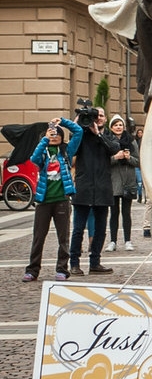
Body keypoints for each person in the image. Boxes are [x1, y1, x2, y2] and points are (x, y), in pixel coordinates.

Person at [22, 117, 83, 282]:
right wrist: (45, 138)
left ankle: (62, 269)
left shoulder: (66, 151)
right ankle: (32, 270)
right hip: (43, 200)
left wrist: (62, 122)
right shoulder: (44, 152)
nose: (55, 136)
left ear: (62, 136)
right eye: (52, 134)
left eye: (57, 134)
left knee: (63, 238)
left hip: (61, 200)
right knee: (38, 237)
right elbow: (33, 159)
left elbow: (79, 131)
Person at [69, 106, 120, 276]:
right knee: (78, 229)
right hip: (84, 188)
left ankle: (95, 262)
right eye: (95, 116)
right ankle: (74, 263)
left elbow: (114, 150)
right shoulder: (81, 136)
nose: (97, 118)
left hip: (103, 188)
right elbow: (71, 149)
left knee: (100, 229)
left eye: (101, 116)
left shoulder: (108, 137)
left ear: (105, 119)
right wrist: (76, 126)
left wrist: (98, 134)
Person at [107, 115, 139, 252]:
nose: (118, 127)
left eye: (120, 125)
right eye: (115, 125)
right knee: (114, 213)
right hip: (113, 181)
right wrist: (115, 157)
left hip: (128, 180)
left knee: (127, 213)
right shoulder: (107, 140)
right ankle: (113, 241)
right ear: (111, 127)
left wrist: (128, 157)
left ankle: (128, 240)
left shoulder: (131, 141)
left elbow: (138, 161)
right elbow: (104, 162)